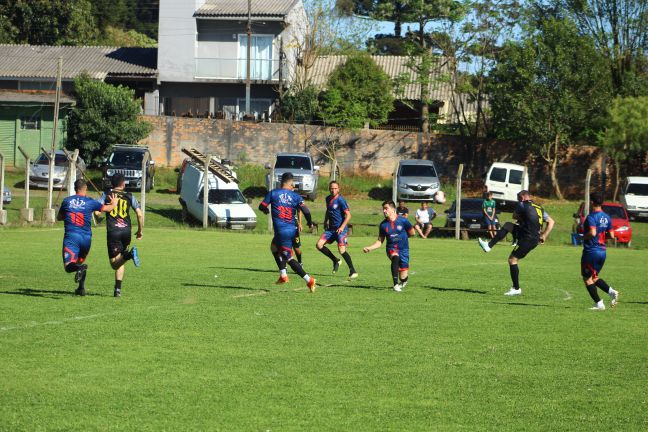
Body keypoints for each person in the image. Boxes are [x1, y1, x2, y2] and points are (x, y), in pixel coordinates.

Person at [477, 190, 555, 296]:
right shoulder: (539, 208)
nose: (518, 200)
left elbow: (514, 216)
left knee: (512, 259)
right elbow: (551, 221)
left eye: (518, 198)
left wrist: (522, 217)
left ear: (522, 197)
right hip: (530, 236)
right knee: (508, 225)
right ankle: (489, 246)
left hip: (528, 238)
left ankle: (516, 288)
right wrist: (544, 235)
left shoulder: (522, 204)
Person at [57, 179, 117, 296]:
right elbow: (106, 209)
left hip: (72, 238)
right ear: (85, 188)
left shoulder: (67, 201)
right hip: (86, 239)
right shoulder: (90, 201)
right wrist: (114, 203)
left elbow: (59, 217)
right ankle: (81, 289)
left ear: (75, 188)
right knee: (80, 263)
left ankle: (79, 269)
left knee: (69, 267)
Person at [259, 172, 317, 292]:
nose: (293, 187)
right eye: (293, 184)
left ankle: (308, 280)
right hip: (292, 230)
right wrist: (310, 223)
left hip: (281, 231)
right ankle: (283, 275)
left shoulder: (273, 193)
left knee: (288, 257)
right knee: (274, 247)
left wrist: (265, 210)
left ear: (281, 182)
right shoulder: (295, 196)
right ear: (290, 183)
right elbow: (306, 211)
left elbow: (262, 206)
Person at [97, 174, 143, 298]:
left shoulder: (106, 195)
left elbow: (97, 212)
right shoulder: (130, 196)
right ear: (123, 184)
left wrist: (99, 216)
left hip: (113, 232)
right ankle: (117, 290)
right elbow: (139, 214)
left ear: (112, 184)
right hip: (126, 232)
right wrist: (140, 231)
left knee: (114, 264)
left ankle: (130, 254)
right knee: (120, 258)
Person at [363, 200, 415, 292]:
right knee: (395, 257)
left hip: (404, 250)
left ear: (393, 209)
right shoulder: (383, 225)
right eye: (383, 209)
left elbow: (412, 233)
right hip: (391, 248)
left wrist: (402, 239)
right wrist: (369, 248)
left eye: (386, 208)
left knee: (403, 276)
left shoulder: (403, 221)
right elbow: (379, 242)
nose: (384, 211)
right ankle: (395, 284)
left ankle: (403, 281)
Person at [581, 193, 619, 310]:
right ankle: (611, 292)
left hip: (591, 251)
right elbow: (612, 235)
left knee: (586, 278)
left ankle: (599, 303)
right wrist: (601, 238)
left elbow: (592, 233)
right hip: (602, 251)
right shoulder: (607, 217)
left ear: (592, 202)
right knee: (594, 277)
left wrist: (582, 237)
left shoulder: (591, 217)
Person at [316, 181, 358, 278]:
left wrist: (342, 227)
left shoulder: (341, 200)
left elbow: (348, 215)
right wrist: (325, 220)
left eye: (335, 188)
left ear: (338, 189)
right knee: (319, 245)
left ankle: (353, 270)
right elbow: (328, 210)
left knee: (342, 250)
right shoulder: (327, 199)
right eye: (331, 188)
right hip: (331, 229)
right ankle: (336, 260)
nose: (333, 190)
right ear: (329, 189)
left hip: (341, 229)